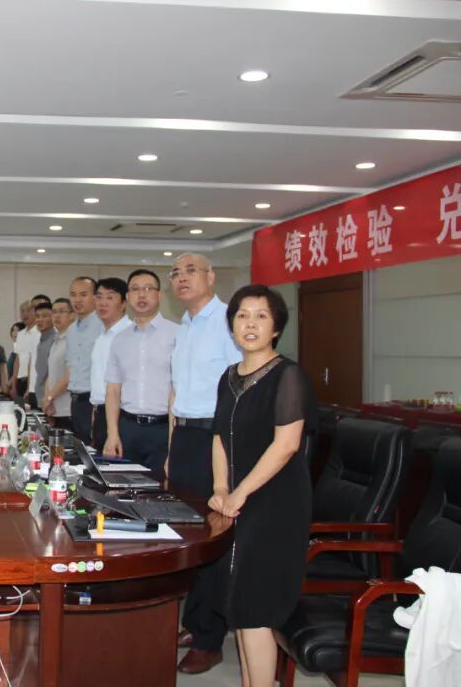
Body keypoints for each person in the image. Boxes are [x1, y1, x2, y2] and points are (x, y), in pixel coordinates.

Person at [209, 284, 314, 687]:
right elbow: (219, 436)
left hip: (275, 502)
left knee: (255, 607)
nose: (250, 324)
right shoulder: (229, 376)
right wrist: (221, 487)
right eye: (242, 315)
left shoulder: (288, 375)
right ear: (232, 325)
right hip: (236, 501)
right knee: (239, 603)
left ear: (276, 328)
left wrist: (240, 493)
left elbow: (286, 446)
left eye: (261, 316)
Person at [168, 252, 243, 675]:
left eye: (190, 270)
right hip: (186, 437)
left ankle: (210, 638)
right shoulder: (186, 325)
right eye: (175, 273)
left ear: (211, 277)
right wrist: (171, 446)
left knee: (214, 536)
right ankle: (195, 622)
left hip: (218, 438)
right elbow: (178, 391)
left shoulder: (229, 321)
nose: (181, 278)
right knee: (191, 533)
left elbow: (243, 385)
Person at [103, 269, 178, 473]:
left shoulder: (177, 334)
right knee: (124, 485)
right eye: (135, 289)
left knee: (160, 487)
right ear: (128, 297)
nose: (141, 295)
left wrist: (174, 443)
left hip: (163, 429)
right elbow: (113, 390)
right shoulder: (120, 339)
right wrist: (112, 434)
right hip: (128, 428)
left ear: (159, 295)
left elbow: (179, 390)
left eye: (148, 289)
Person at [89, 278, 132, 450]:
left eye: (110, 297)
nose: (103, 303)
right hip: (100, 412)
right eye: (99, 297)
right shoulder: (101, 335)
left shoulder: (129, 333)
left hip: (120, 415)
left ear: (123, 303)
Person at [64, 276, 101, 444]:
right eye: (73, 295)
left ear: (95, 297)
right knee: (80, 451)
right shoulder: (71, 330)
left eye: (83, 294)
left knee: (95, 451)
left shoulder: (103, 326)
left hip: (94, 403)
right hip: (76, 401)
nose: (77, 300)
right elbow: (71, 366)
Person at [42, 300, 73, 431]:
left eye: (61, 311)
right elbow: (51, 374)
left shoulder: (73, 340)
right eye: (54, 312)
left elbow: (68, 377)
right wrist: (47, 399)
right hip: (55, 409)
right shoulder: (55, 341)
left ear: (72, 315)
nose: (57, 316)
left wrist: (50, 398)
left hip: (69, 410)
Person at [31, 303, 56, 412]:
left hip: (51, 401)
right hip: (41, 397)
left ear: (53, 318)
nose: (40, 320)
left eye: (45, 316)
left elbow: (54, 374)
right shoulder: (41, 342)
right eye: (37, 316)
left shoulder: (55, 341)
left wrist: (49, 398)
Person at [10, 300, 35, 399]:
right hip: (20, 381)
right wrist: (13, 385)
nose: (25, 314)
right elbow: (17, 360)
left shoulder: (39, 332)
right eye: (22, 311)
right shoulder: (20, 334)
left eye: (28, 310)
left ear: (35, 312)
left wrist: (29, 387)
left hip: (33, 381)